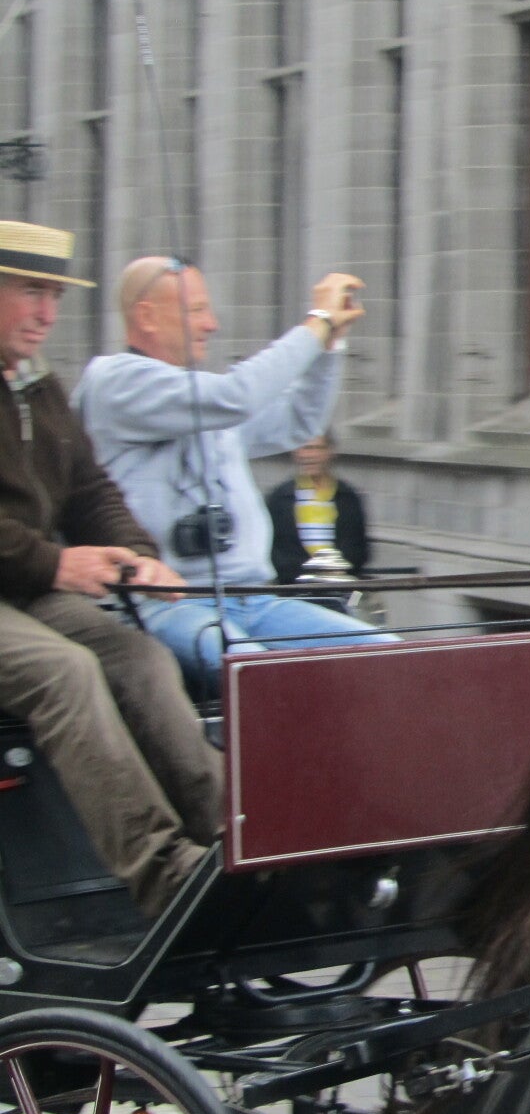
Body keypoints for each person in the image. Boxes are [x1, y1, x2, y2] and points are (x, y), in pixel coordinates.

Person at [0, 223, 223, 918]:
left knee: (139, 656)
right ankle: (165, 870)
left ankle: (234, 835)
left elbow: (90, 491)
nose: (47, 313)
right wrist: (55, 562)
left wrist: (136, 556)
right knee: (64, 672)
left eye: (55, 296)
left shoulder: (37, 386)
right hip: (25, 583)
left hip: (23, 589)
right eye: (32, 292)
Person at [74, 258, 396, 697]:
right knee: (256, 679)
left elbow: (299, 421)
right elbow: (237, 397)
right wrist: (316, 322)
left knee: (388, 656)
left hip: (252, 598)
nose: (212, 324)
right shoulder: (115, 381)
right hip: (164, 604)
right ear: (146, 316)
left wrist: (329, 345)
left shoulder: (203, 398)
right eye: (196, 310)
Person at [266, 432, 372, 584]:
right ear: (295, 452)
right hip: (292, 587)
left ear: (330, 452)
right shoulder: (280, 498)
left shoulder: (348, 497)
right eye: (305, 448)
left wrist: (332, 572)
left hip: (338, 586)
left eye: (317, 448)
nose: (310, 455)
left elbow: (357, 548)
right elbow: (275, 550)